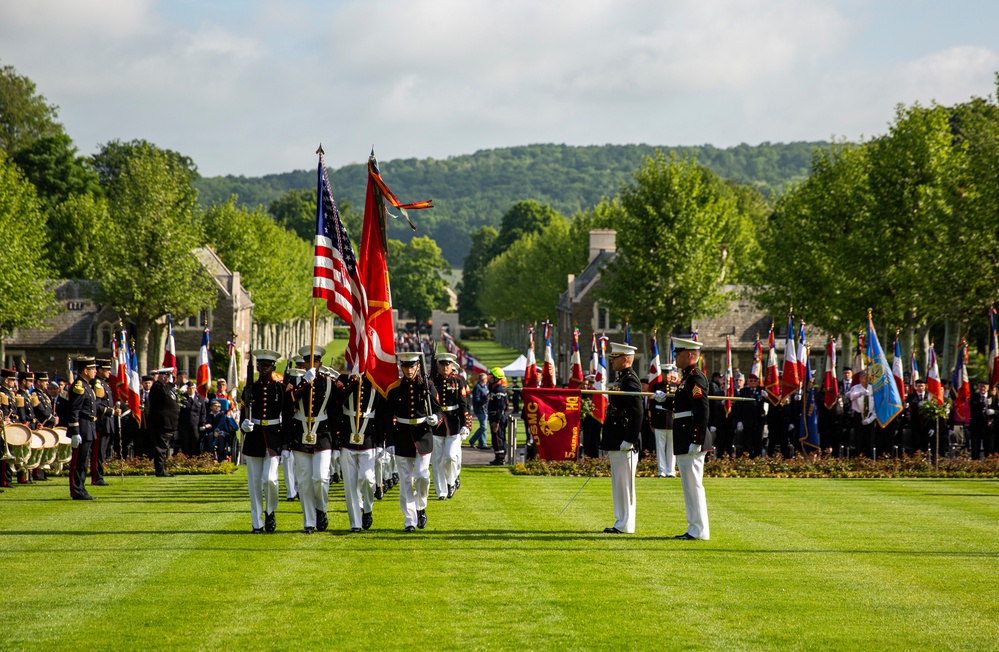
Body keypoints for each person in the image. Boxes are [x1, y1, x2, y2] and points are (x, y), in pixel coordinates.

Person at [385, 352, 442, 532]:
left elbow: (439, 410)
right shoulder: (394, 388)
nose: (409, 370)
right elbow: (388, 417)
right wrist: (390, 441)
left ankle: (420, 506)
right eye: (405, 366)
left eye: (412, 366)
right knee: (405, 482)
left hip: (423, 436)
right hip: (401, 436)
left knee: (423, 476)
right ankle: (409, 519)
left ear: (418, 366)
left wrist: (435, 418)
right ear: (401, 367)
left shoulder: (427, 385)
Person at [287, 345, 334, 534]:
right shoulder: (296, 381)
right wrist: (305, 383)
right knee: (305, 480)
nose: (311, 364)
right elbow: (289, 401)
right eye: (308, 361)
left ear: (320, 363)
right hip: (300, 433)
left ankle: (321, 508)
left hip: (322, 434)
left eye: (315, 361)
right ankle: (309, 520)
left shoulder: (329, 382)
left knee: (321, 478)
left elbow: (335, 409)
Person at [666, 337, 710, 540]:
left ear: (690, 355)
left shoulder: (695, 378)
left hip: (691, 437)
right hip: (684, 436)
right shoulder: (686, 378)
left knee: (694, 486)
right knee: (689, 486)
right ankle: (694, 527)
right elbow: (682, 407)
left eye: (679, 354)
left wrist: (697, 439)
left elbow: (702, 411)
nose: (675, 357)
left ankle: (699, 530)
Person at [240, 350, 286, 534]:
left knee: (270, 480)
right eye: (261, 365)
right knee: (254, 483)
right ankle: (256, 522)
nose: (264, 369)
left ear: (273, 367)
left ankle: (270, 510)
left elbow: (286, 416)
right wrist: (243, 425)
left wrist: (285, 444)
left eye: (267, 366)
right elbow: (243, 414)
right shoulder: (250, 389)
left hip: (273, 438)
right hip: (254, 438)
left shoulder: (279, 388)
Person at [600, 342, 643, 534]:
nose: (612, 361)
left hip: (625, 440)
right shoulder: (622, 379)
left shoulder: (630, 380)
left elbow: (637, 412)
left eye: (615, 358)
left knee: (625, 484)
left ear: (625, 359)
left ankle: (626, 524)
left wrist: (630, 439)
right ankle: (620, 521)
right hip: (617, 438)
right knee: (618, 483)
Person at [336, 373, 383, 532]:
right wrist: (353, 382)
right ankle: (355, 523)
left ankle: (368, 508)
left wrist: (382, 442)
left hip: (368, 439)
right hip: (347, 438)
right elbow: (338, 400)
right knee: (350, 485)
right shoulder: (344, 380)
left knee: (368, 479)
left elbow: (382, 413)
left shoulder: (375, 382)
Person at [431, 352, 471, 499]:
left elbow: (464, 404)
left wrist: (466, 424)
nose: (445, 367)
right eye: (442, 364)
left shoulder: (458, 381)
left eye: (448, 365)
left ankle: (451, 481)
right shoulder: (432, 381)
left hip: (453, 423)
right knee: (437, 460)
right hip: (436, 425)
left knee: (451, 457)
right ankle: (441, 491)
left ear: (452, 366)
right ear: (438, 366)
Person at [66, 357, 99, 500]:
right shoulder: (79, 386)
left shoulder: (87, 386)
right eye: (93, 369)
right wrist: (75, 432)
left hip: (89, 426)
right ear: (85, 371)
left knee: (84, 461)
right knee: (78, 461)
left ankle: (81, 488)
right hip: (82, 427)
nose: (95, 371)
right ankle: (76, 490)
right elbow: (74, 410)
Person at [90, 360, 119, 486]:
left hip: (107, 423)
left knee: (102, 453)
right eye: (107, 370)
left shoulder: (103, 384)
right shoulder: (96, 384)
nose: (109, 372)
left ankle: (99, 476)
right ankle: (96, 477)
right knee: (98, 453)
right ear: (100, 370)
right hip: (101, 422)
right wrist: (111, 412)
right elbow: (97, 405)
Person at [648, 364, 678, 477]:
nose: (666, 375)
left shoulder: (676, 387)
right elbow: (651, 406)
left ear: (672, 373)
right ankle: (662, 471)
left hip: (671, 420)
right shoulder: (656, 387)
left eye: (668, 372)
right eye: (664, 373)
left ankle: (670, 471)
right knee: (660, 447)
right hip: (659, 420)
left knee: (671, 447)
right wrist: (652, 422)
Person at [735, 373, 767, 458]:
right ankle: (747, 459)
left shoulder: (762, 390)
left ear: (757, 382)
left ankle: (757, 459)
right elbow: (739, 407)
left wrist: (766, 398)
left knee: (758, 441)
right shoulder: (743, 391)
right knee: (747, 441)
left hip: (759, 421)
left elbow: (766, 405)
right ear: (748, 382)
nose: (752, 382)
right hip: (747, 420)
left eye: (754, 381)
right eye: (750, 381)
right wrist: (739, 421)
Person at [846, 370, 877, 458]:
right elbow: (852, 396)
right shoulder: (856, 388)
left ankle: (870, 460)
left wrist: (871, 419)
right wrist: (861, 393)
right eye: (864, 378)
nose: (866, 380)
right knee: (859, 439)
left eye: (868, 378)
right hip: (858, 416)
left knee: (870, 440)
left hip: (870, 416)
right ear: (860, 379)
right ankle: (859, 459)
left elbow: (876, 406)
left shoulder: (873, 389)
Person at [178, 381, 208, 457]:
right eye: (189, 388)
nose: (190, 390)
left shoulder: (200, 399)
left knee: (195, 442)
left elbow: (203, 413)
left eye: (192, 388)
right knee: (185, 443)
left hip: (196, 426)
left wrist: (202, 423)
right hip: (184, 426)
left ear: (195, 389)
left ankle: (194, 459)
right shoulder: (182, 398)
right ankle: (186, 458)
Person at [487, 368, 509, 465]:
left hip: (497, 418)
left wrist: (497, 422)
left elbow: (500, 407)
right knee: (497, 437)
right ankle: (499, 456)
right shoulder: (494, 389)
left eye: (491, 377)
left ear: (497, 378)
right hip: (495, 417)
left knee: (498, 437)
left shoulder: (499, 390)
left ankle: (500, 458)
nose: (489, 379)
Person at [968, 380, 995, 461]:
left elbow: (997, 410)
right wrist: (982, 403)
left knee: (989, 449)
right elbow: (972, 408)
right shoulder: (974, 396)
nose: (982, 388)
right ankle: (974, 466)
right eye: (981, 386)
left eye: (984, 386)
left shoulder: (993, 397)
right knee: (975, 449)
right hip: (976, 427)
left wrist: (993, 411)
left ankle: (989, 467)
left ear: (988, 387)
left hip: (989, 428)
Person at [469, 373, 490, 450]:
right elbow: (476, 399)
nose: (487, 380)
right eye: (486, 378)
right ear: (483, 379)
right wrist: (485, 399)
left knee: (483, 426)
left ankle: (483, 444)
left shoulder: (485, 386)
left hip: (485, 408)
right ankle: (472, 440)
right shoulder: (477, 387)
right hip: (480, 409)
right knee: (484, 427)